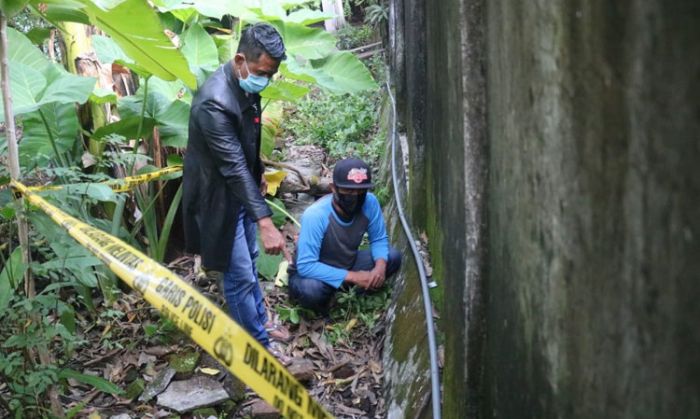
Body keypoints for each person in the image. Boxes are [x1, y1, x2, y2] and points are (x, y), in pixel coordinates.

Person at [183, 23, 288, 348]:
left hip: (241, 192)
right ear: (241, 60)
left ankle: (258, 321)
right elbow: (231, 166)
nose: (264, 81)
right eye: (261, 72)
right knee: (238, 274)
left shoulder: (247, 86)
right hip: (217, 198)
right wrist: (266, 222)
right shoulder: (213, 103)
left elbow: (248, 143)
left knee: (251, 261)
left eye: (270, 75)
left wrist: (258, 176)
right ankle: (258, 349)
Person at [288, 158, 402, 313]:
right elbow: (306, 266)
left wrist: (379, 267)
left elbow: (379, 239)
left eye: (361, 191)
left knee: (392, 256)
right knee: (311, 291)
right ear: (333, 188)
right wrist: (355, 277)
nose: (355, 196)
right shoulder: (316, 215)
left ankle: (344, 289)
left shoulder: (370, 203)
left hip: (347, 262)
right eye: (348, 191)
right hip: (314, 273)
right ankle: (342, 290)